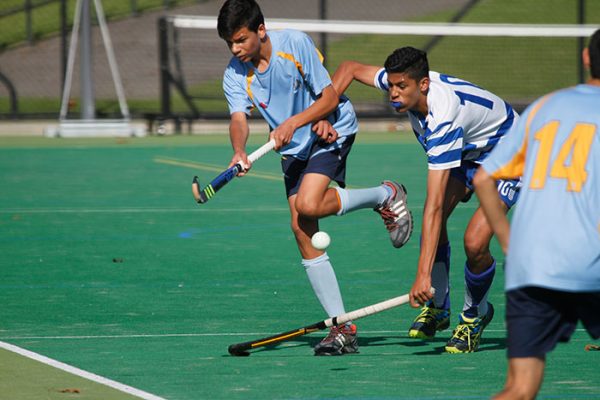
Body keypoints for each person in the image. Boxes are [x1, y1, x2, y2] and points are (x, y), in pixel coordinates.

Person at [216, 0, 413, 356]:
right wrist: (239, 151)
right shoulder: (235, 74)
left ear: (261, 30)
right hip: (294, 148)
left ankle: (385, 195)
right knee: (301, 228)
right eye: (230, 43)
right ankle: (342, 326)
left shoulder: (295, 44)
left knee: (308, 204)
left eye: (241, 40)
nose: (236, 49)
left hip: (330, 129)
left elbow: (329, 96)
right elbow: (238, 120)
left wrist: (295, 122)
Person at [330, 47, 520, 353]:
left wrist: (422, 275)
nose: (392, 93)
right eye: (390, 85)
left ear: (423, 85)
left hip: (509, 155)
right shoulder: (406, 84)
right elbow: (349, 68)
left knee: (474, 241)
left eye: (400, 87)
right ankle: (439, 305)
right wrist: (324, 115)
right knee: (440, 218)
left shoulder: (443, 118)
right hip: (470, 151)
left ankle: (475, 315)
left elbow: (431, 206)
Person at [473, 29, 600, 399]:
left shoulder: (546, 106)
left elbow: (483, 178)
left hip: (533, 265)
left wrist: (510, 243)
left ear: (586, 58)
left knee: (519, 388)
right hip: (591, 262)